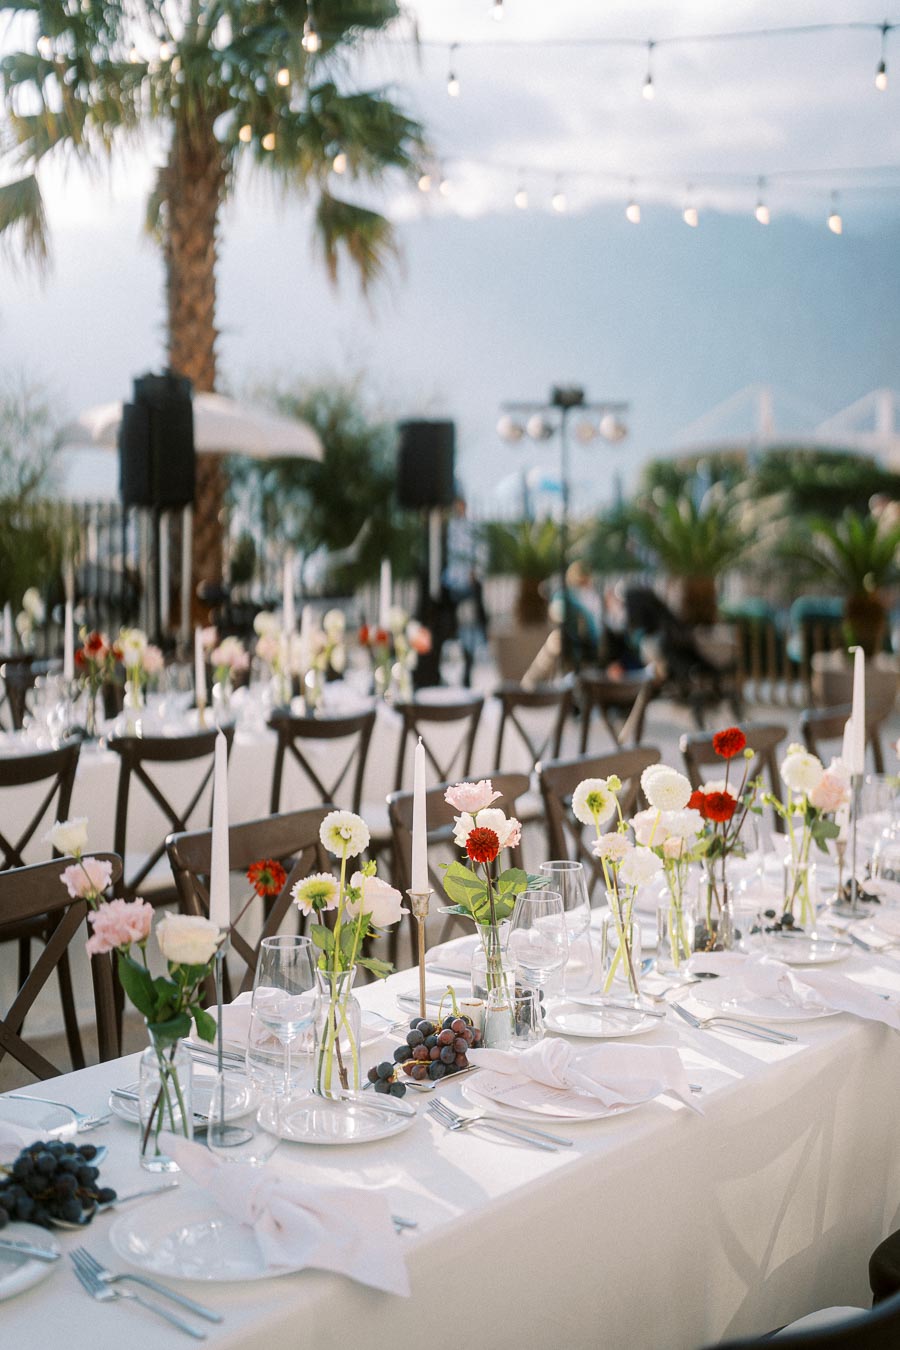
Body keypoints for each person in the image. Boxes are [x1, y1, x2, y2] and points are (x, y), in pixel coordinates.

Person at [442, 496, 488, 686]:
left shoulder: (472, 526)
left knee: (470, 626)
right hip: (453, 584)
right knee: (453, 625)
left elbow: (481, 551)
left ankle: (469, 664)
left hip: (468, 585)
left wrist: (475, 572)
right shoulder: (449, 526)